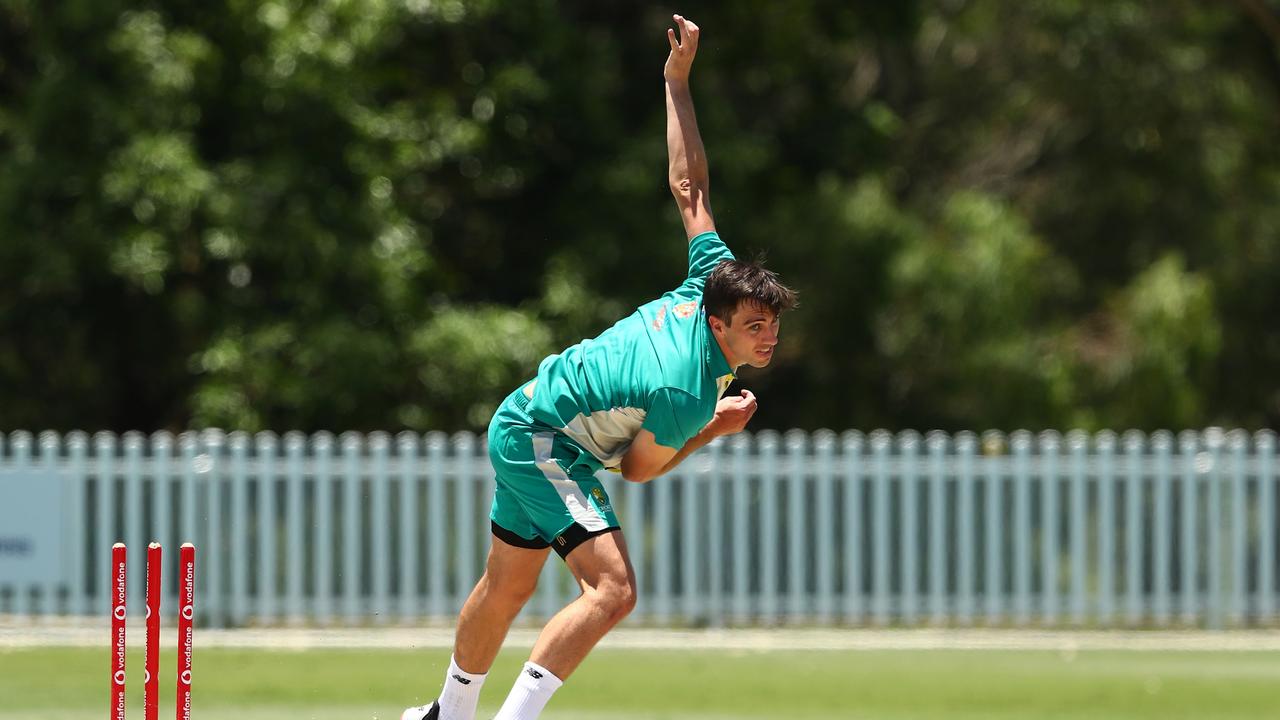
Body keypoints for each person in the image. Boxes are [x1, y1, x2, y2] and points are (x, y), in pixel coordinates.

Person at [401, 14, 797, 720]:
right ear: (718, 323)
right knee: (613, 591)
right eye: (754, 327)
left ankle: (444, 716)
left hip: (528, 419)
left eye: (772, 325)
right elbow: (641, 469)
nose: (767, 339)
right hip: (544, 438)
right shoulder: (683, 388)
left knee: (508, 587)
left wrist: (677, 82)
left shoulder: (711, 274)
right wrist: (716, 427)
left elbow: (690, 185)